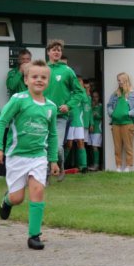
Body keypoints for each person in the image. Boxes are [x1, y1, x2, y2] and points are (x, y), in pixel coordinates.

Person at [0, 60, 60, 250]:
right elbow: (2, 122)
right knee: (17, 198)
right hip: (16, 156)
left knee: (37, 191)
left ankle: (34, 236)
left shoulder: (51, 107)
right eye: (34, 76)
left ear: (48, 81)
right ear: (26, 79)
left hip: (38, 156)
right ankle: (7, 200)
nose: (39, 80)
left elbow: (53, 135)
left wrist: (53, 160)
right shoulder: (18, 100)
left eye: (43, 77)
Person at [43, 40, 85, 180]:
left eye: (59, 50)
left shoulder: (67, 71)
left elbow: (79, 92)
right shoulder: (42, 69)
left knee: (57, 147)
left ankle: (60, 166)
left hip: (61, 115)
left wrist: (69, 105)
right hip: (43, 115)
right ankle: (46, 175)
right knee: (43, 146)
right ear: (48, 52)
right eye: (54, 49)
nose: (56, 52)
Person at [106, 72, 134, 172]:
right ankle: (118, 166)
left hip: (127, 124)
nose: (118, 82)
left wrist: (129, 113)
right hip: (115, 124)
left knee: (128, 146)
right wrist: (112, 113)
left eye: (119, 80)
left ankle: (128, 167)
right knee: (117, 147)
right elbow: (109, 106)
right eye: (117, 80)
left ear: (125, 80)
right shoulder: (115, 94)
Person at [64, 75, 90, 173]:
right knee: (69, 145)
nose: (79, 83)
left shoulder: (81, 92)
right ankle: (60, 166)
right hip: (70, 121)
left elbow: (86, 100)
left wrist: (82, 89)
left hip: (79, 122)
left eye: (80, 82)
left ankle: (83, 166)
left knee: (81, 143)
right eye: (77, 81)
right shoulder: (70, 92)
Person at [88, 89, 103, 171]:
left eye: (96, 97)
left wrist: (97, 115)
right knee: (91, 147)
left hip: (97, 129)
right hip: (90, 129)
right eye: (93, 97)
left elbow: (103, 117)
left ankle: (96, 165)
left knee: (95, 146)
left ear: (99, 97)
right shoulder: (90, 106)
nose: (94, 99)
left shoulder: (101, 106)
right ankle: (93, 163)